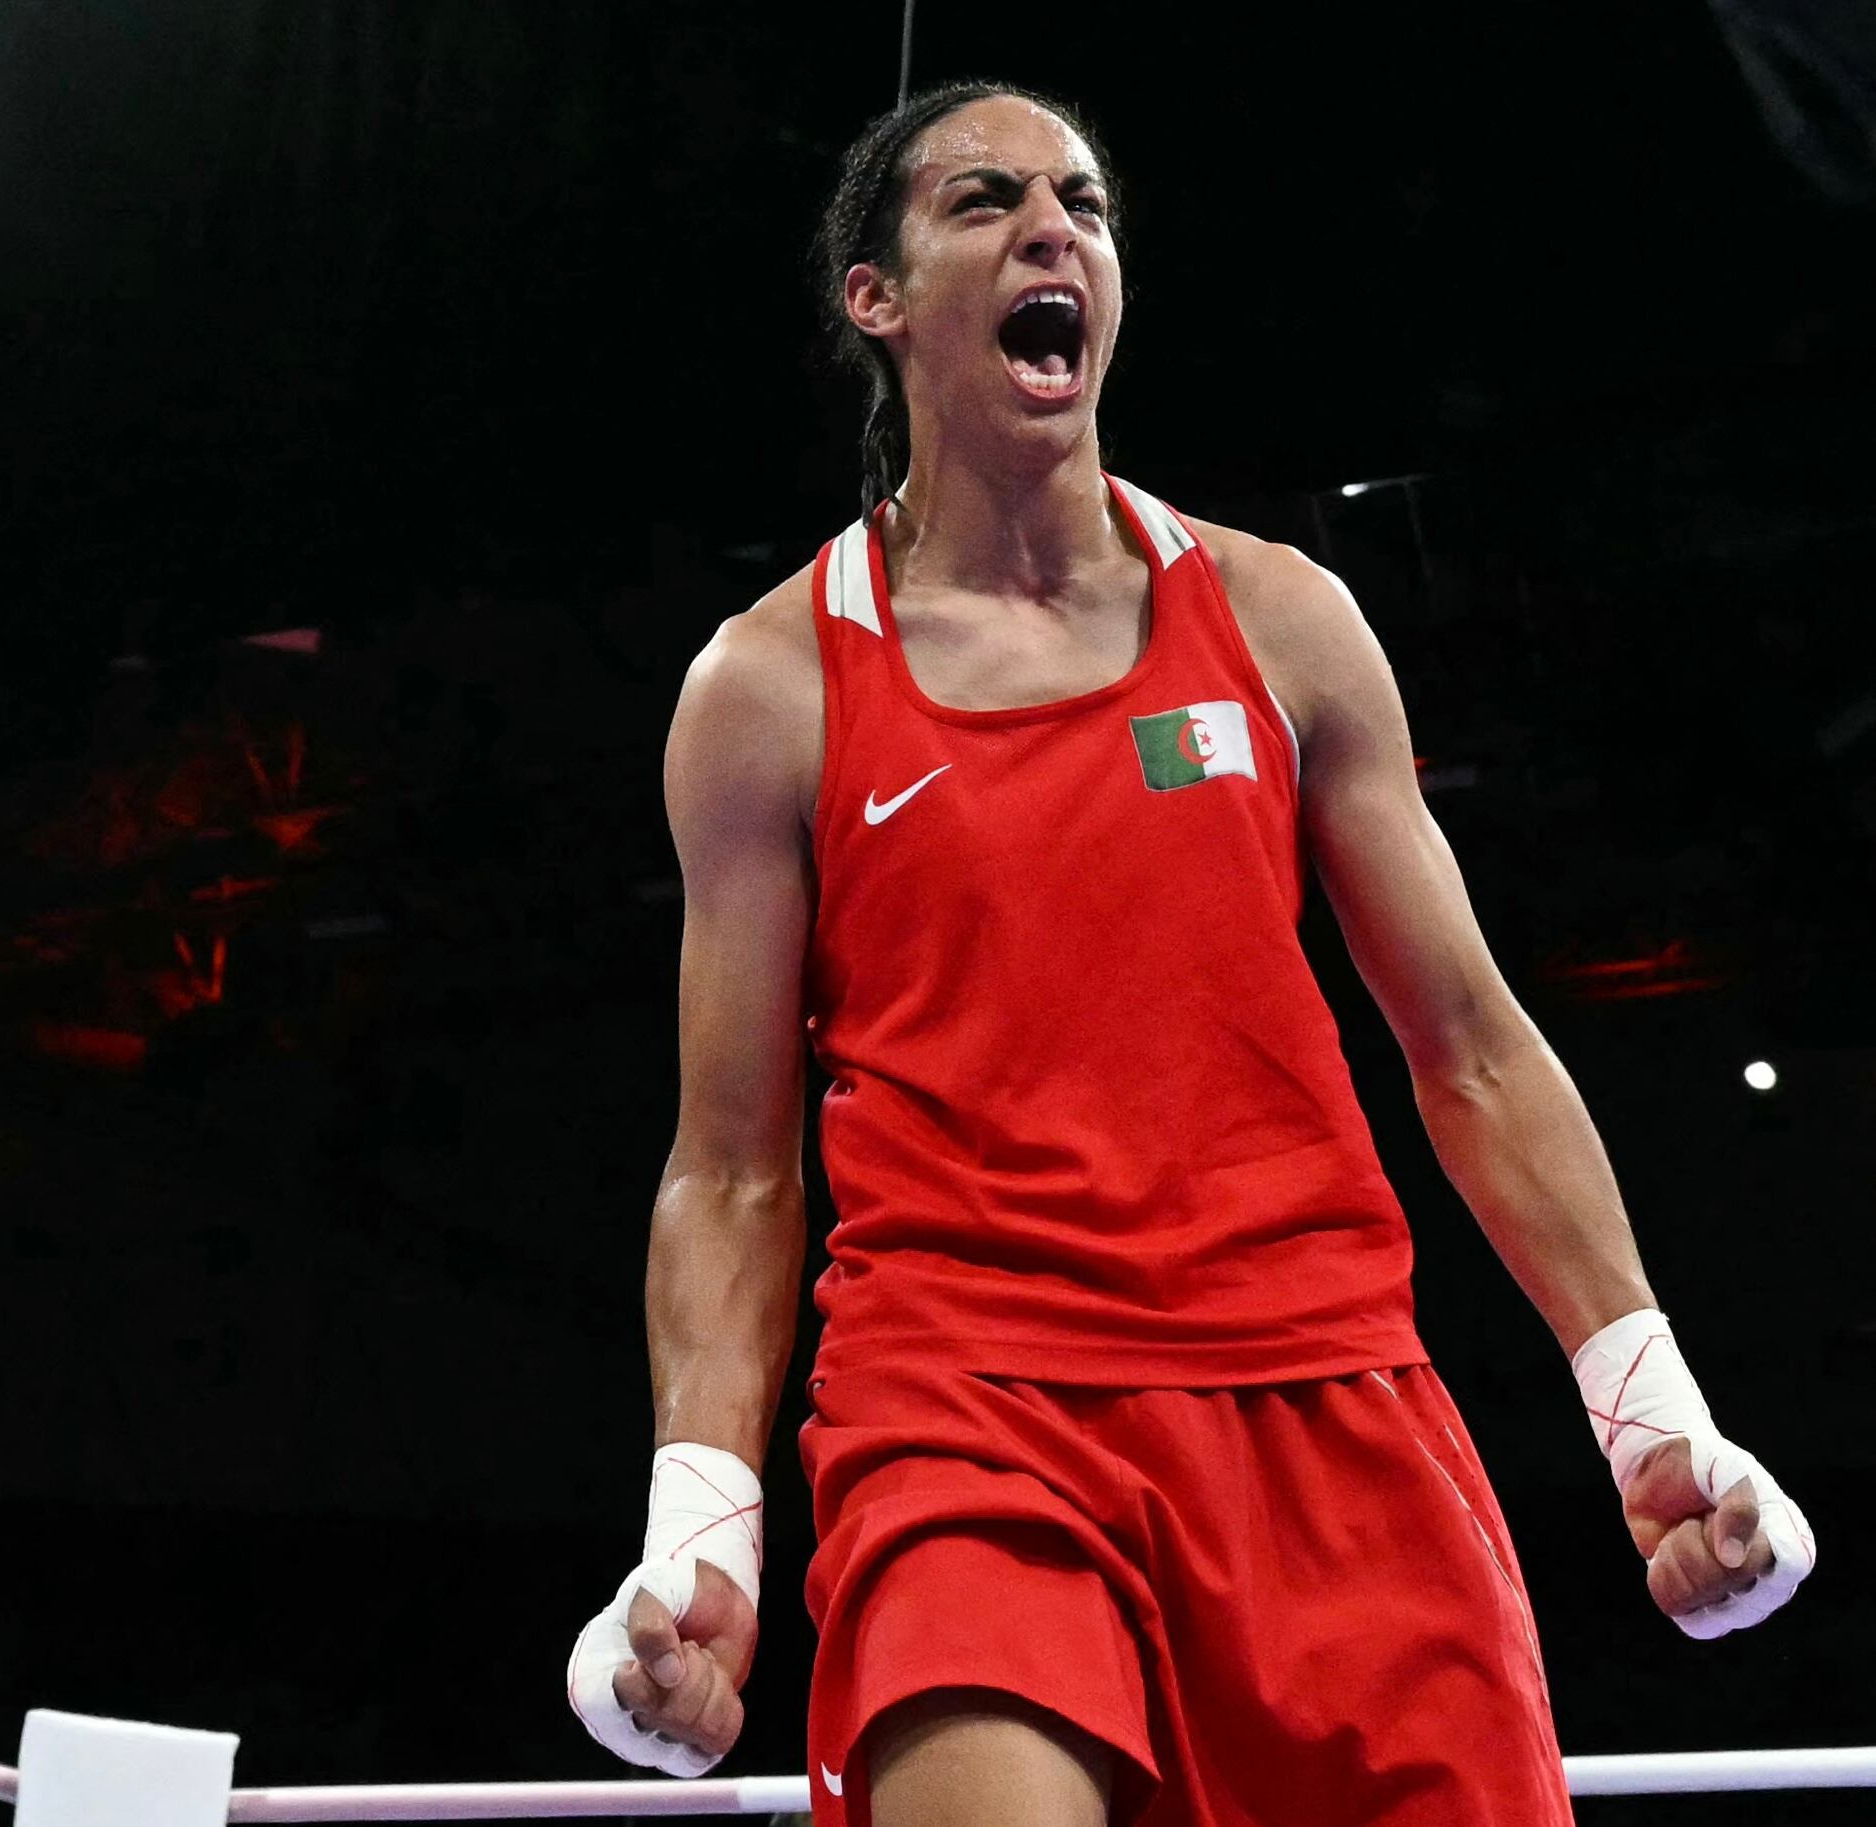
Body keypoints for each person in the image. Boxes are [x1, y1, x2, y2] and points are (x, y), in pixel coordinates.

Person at [563, 81, 1816, 1827]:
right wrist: (701, 1516)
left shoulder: (1283, 619)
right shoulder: (770, 690)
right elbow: (731, 1166)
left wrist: (1648, 1404)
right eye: (984, 200)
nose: (1050, 229)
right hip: (967, 1405)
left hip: (1325, 1395)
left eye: (1079, 200)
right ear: (877, 294)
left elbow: (1469, 1044)